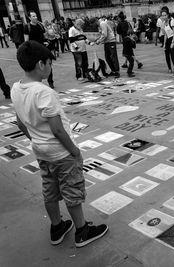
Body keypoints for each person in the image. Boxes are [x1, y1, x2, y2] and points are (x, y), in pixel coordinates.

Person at [11, 41, 108, 248]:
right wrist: (74, 151)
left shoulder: (16, 88)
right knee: (72, 190)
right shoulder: (44, 92)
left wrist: (35, 139)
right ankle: (82, 231)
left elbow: (20, 122)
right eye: (49, 63)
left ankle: (57, 227)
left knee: (50, 189)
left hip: (40, 151)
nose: (50, 66)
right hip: (61, 153)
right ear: (40, 64)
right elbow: (57, 129)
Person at [24, 11, 55, 89]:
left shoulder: (40, 25)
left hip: (43, 48)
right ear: (29, 18)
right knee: (37, 67)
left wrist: (47, 40)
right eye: (33, 16)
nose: (35, 17)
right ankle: (37, 84)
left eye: (36, 16)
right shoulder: (27, 27)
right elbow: (26, 40)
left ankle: (50, 82)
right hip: (34, 50)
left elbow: (45, 36)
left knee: (48, 64)